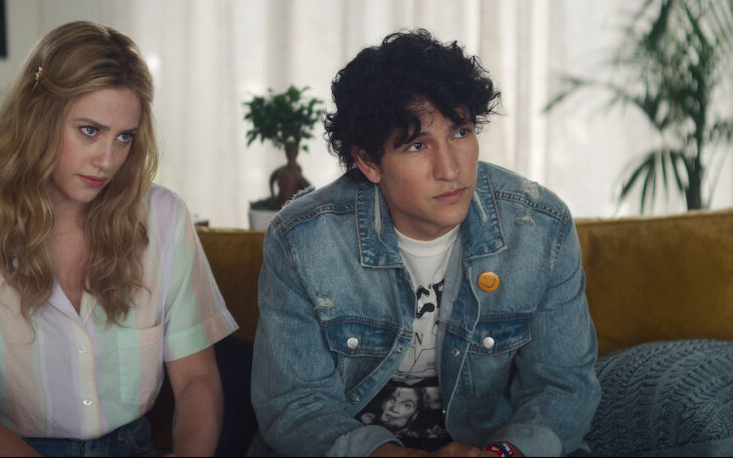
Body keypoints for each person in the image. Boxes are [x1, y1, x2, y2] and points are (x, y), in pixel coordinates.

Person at [249, 29, 601, 457]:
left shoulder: (541, 228)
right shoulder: (302, 240)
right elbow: (295, 402)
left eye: (461, 132)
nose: (450, 169)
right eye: (417, 145)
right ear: (368, 162)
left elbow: (563, 387)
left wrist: (502, 454)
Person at [0, 21, 237, 457]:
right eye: (89, 130)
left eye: (124, 137)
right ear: (38, 119)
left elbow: (197, 380)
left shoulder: (164, 218)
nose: (108, 160)